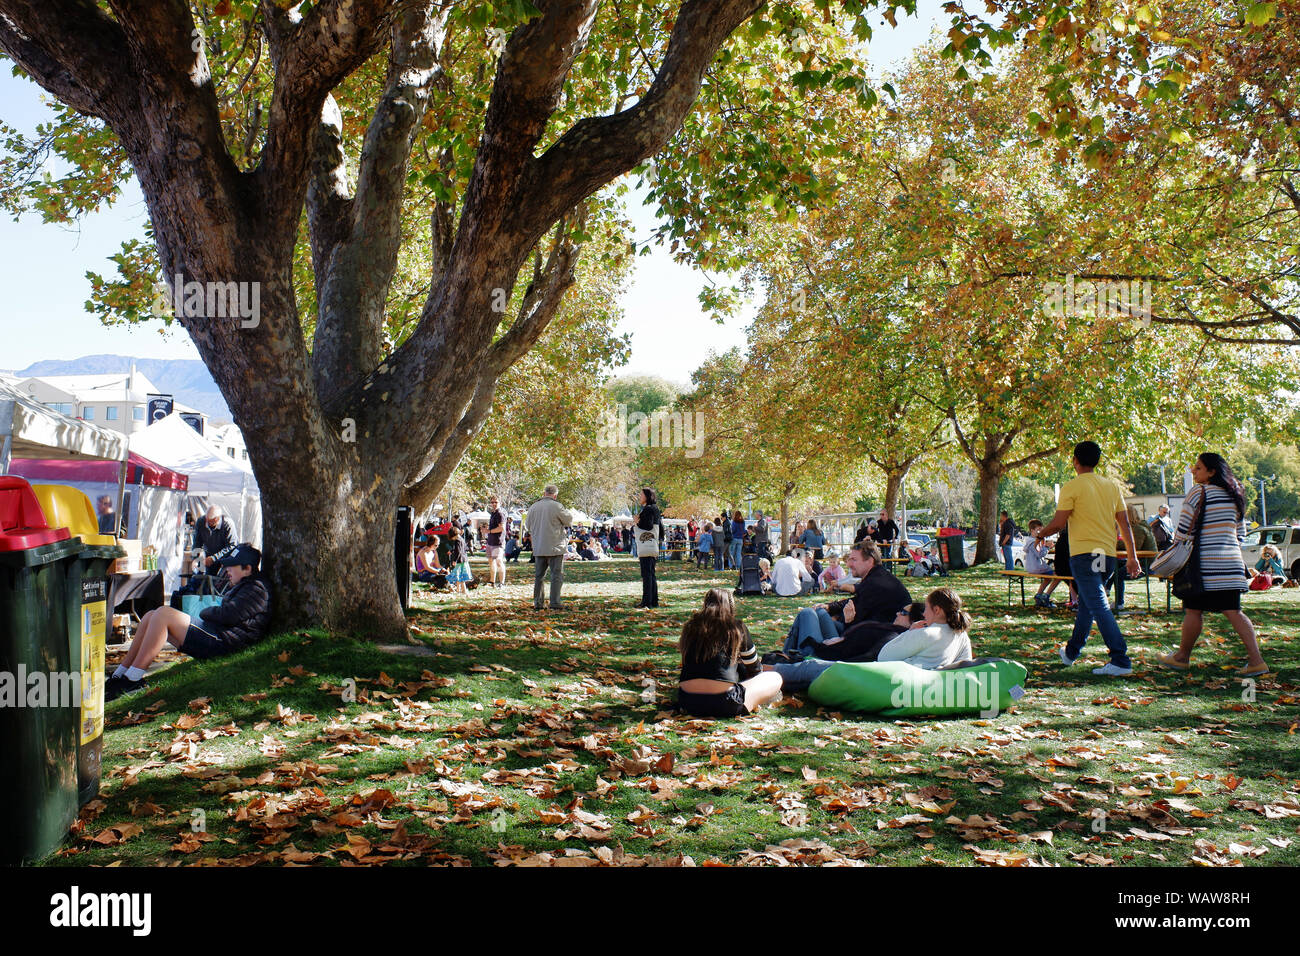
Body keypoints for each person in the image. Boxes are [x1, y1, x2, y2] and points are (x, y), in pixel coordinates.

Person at [105, 545, 270, 700]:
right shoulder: (246, 585)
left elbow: (228, 615)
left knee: (163, 614)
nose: (227, 570)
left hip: (225, 641)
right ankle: (120, 674)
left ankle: (133, 679)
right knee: (150, 615)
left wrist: (204, 612)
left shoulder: (256, 588)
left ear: (247, 569)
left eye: (232, 566)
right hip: (219, 633)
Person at [1035, 441, 1141, 676]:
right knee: (1088, 603)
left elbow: (1059, 523)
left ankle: (1120, 659)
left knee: (1098, 604)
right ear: (1097, 461)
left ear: (1075, 461)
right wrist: (1132, 556)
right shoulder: (1111, 486)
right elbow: (1124, 524)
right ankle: (1072, 652)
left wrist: (1040, 534)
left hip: (1084, 554)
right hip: (1106, 554)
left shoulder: (1071, 487)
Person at [1157, 453, 1268, 677]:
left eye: (1198, 468)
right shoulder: (1235, 495)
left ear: (1211, 472)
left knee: (1193, 610)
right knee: (1234, 611)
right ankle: (1256, 660)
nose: (1193, 471)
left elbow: (1183, 529)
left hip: (1203, 566)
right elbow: (1240, 534)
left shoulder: (1199, 492)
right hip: (1231, 565)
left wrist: (1176, 551)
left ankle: (1182, 657)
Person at [781, 541, 912, 655]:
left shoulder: (876, 584)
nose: (849, 564)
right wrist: (830, 607)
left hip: (857, 645)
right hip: (862, 637)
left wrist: (843, 618)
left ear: (870, 561)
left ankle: (796, 659)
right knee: (820, 612)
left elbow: (858, 627)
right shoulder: (878, 578)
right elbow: (856, 601)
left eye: (854, 559)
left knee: (807, 613)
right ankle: (787, 656)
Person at [677, 589, 783, 718]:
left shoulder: (690, 627)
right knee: (775, 677)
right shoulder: (736, 627)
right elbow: (754, 668)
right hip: (725, 702)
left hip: (687, 700)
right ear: (731, 606)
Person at [876, 587, 974, 669]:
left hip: (909, 683)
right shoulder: (961, 634)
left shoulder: (925, 633)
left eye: (926, 608)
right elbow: (965, 664)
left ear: (936, 610)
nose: (924, 613)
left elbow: (883, 656)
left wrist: (910, 631)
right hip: (940, 684)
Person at [170, 505, 238, 609]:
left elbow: (232, 546)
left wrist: (214, 558)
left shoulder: (228, 524)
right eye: (207, 520)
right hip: (208, 557)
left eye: (212, 521)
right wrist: (195, 558)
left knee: (219, 587)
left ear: (217, 519)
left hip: (226, 561)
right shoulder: (201, 521)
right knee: (202, 582)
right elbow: (197, 543)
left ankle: (217, 607)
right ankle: (201, 606)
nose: (209, 523)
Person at [526, 484, 573, 610]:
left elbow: (528, 526)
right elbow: (569, 520)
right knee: (556, 575)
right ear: (555, 495)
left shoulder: (533, 507)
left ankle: (538, 602)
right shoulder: (557, 506)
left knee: (539, 577)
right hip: (555, 546)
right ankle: (555, 602)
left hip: (539, 546)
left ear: (544, 493)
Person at [635, 488, 663, 608]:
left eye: (641, 495)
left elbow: (647, 525)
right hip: (653, 546)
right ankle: (653, 600)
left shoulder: (648, 509)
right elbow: (660, 528)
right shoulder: (655, 509)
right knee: (651, 574)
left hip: (646, 546)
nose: (639, 497)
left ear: (647, 496)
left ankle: (647, 601)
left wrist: (637, 521)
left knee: (646, 574)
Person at [1022, 519, 1059, 607]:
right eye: (1038, 529)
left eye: (1041, 529)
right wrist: (1047, 547)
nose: (1040, 532)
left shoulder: (1031, 541)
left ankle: (1039, 595)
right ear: (1032, 530)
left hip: (1032, 566)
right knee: (1058, 575)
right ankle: (1045, 596)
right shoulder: (1033, 542)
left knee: (1048, 577)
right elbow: (1039, 554)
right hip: (1036, 567)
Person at [484, 495, 507, 587]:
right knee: (491, 561)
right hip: (490, 541)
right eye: (492, 502)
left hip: (498, 542)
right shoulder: (493, 513)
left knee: (498, 562)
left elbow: (501, 528)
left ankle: (502, 583)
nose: (494, 504)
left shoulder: (500, 513)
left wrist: (489, 531)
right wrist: (487, 530)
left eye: (496, 502)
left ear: (500, 503)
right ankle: (492, 582)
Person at [447, 529, 472, 593]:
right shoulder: (461, 539)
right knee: (460, 576)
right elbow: (460, 549)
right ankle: (459, 589)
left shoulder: (457, 541)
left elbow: (458, 552)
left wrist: (455, 560)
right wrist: (452, 551)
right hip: (464, 559)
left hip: (460, 561)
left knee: (459, 576)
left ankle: (463, 590)